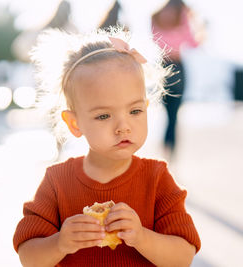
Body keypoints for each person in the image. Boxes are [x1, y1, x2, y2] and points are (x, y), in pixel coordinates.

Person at [13, 26, 201, 266]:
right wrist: (59, 243)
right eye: (104, 116)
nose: (123, 127)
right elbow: (29, 256)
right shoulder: (57, 182)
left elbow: (183, 256)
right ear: (74, 123)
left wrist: (142, 237)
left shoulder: (157, 180)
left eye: (135, 111)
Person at [152, 0, 205, 158]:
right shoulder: (182, 14)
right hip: (177, 66)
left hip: (162, 65)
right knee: (174, 115)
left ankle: (164, 148)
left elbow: (155, 39)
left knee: (167, 113)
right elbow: (194, 43)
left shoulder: (155, 16)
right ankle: (171, 152)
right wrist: (197, 23)